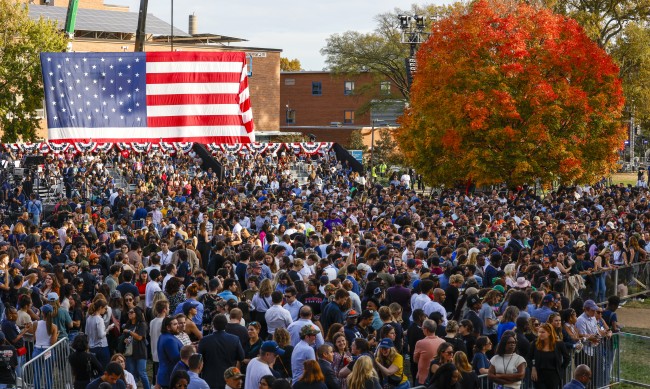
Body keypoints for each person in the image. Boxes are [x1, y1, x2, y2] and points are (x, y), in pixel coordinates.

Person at [197, 314, 245, 389]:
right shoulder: (234, 339)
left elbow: (198, 360)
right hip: (229, 379)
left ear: (213, 325)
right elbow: (241, 357)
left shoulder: (204, 340)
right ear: (226, 325)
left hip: (209, 379)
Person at [528, 323, 570, 389]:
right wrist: (533, 368)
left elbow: (567, 358)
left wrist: (561, 370)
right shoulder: (535, 343)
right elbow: (529, 358)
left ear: (549, 333)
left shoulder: (559, 344)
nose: (540, 334)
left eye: (543, 332)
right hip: (538, 375)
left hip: (553, 375)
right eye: (539, 332)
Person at [122, 306, 149, 389]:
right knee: (131, 373)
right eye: (129, 312)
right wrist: (125, 340)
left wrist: (129, 332)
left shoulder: (142, 324)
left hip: (140, 351)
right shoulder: (128, 324)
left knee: (142, 373)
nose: (129, 314)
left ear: (137, 314)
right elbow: (124, 337)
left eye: (131, 312)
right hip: (130, 352)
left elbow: (140, 337)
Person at [413, 319, 445, 385]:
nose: (422, 329)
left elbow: (415, 359)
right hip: (437, 376)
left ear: (426, 329)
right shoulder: (443, 342)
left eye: (422, 328)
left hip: (423, 378)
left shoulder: (420, 343)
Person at [86, 299, 114, 369]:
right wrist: (108, 329)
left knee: (95, 369)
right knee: (104, 369)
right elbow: (101, 335)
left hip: (92, 347)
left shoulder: (89, 318)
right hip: (101, 347)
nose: (105, 310)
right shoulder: (99, 319)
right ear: (100, 308)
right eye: (105, 308)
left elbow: (86, 333)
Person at [157, 316, 183, 389]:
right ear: (168, 327)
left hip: (165, 375)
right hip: (170, 377)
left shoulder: (162, 336)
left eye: (177, 323)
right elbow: (176, 359)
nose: (178, 326)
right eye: (175, 324)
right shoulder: (170, 340)